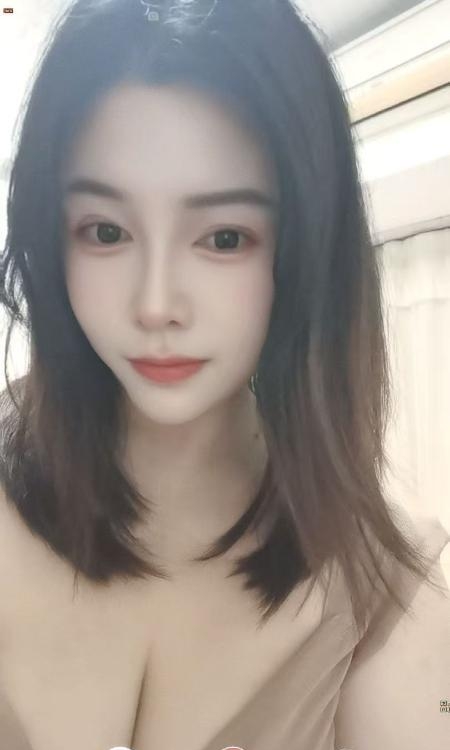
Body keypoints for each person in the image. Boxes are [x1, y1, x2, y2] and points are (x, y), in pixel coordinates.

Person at [0, 1, 448, 749]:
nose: (155, 305)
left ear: (304, 249)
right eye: (106, 231)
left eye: (224, 238)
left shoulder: (395, 602)